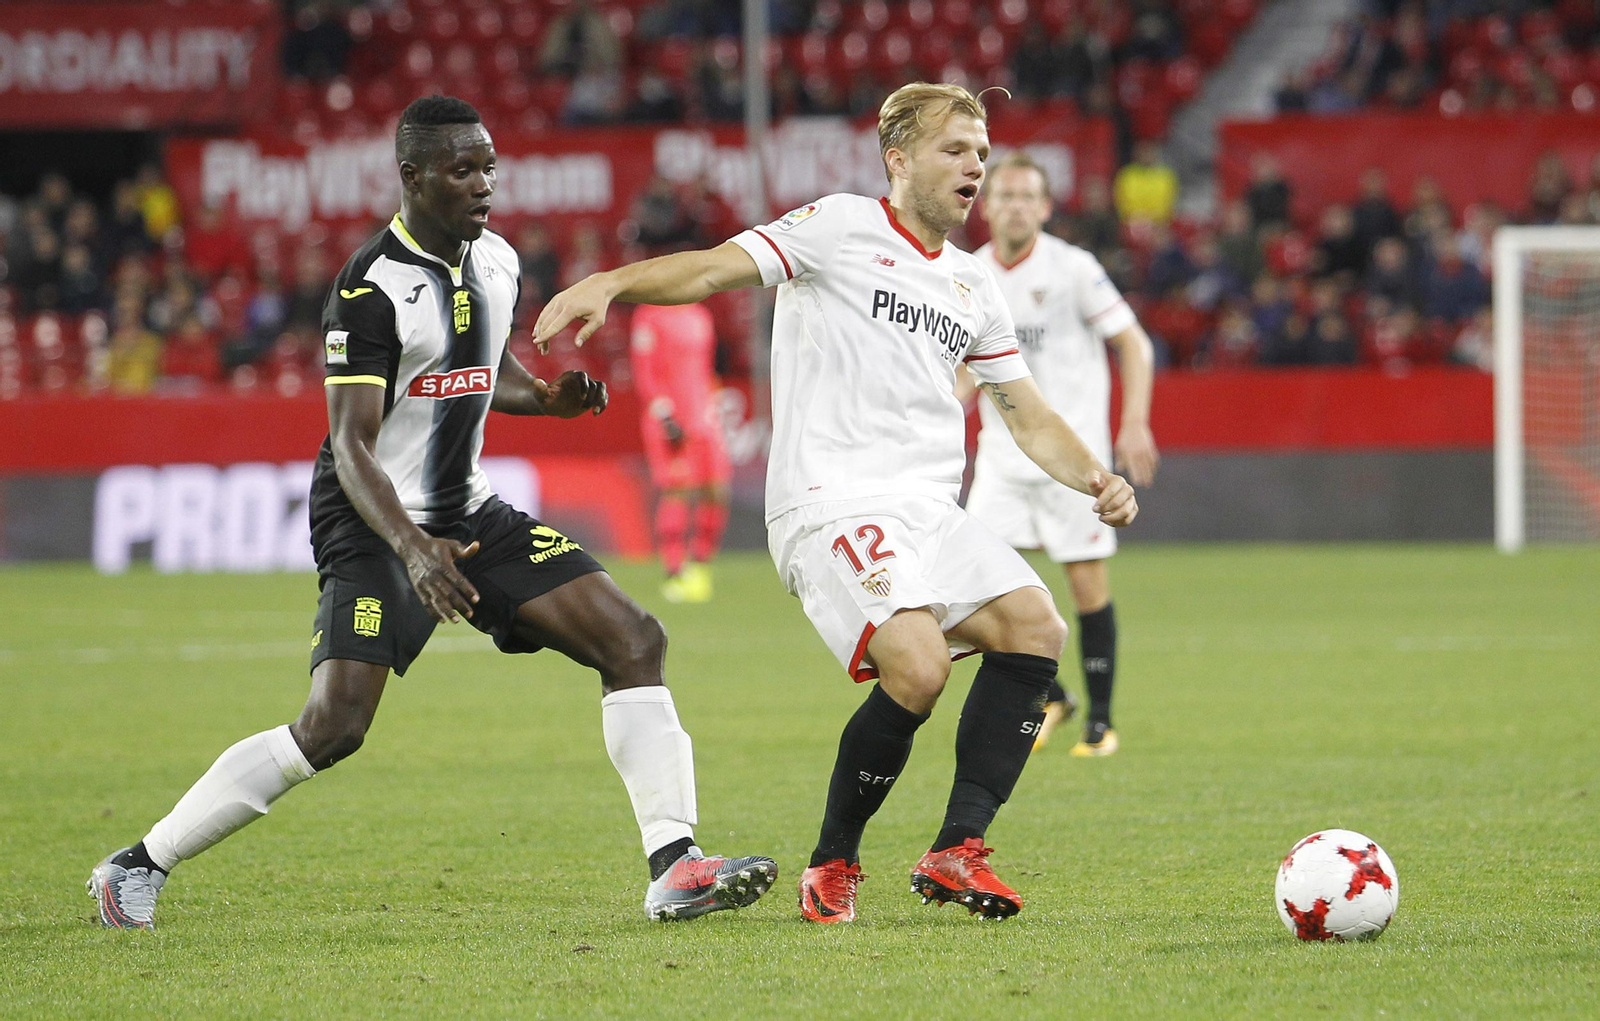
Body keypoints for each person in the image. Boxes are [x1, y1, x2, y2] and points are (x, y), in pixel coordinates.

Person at [87, 96, 776, 931]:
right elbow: (352, 443)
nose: (484, 184)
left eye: (489, 166)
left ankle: (674, 866)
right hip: (375, 520)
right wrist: (413, 549)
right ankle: (137, 863)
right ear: (412, 177)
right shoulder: (368, 289)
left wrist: (546, 398)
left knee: (634, 640)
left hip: (470, 510)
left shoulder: (497, 262)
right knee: (334, 725)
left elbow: (485, 370)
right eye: (462, 169)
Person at [535, 82, 1138, 924]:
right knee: (920, 666)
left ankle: (957, 848)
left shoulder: (972, 285)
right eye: (956, 149)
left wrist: (1097, 477)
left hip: (929, 507)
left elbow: (1028, 415)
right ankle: (833, 863)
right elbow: (712, 268)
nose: (976, 165)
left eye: (982, 152)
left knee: (1038, 629)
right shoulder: (838, 227)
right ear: (898, 160)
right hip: (831, 501)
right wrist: (614, 281)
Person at [958, 151, 1159, 758]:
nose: (1015, 206)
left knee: (1085, 582)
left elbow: (1134, 343)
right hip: (1002, 456)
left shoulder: (1074, 269)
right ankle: (1055, 692)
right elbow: (967, 368)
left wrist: (1135, 422)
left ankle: (1100, 722)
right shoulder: (966, 274)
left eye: (1027, 196)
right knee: (969, 586)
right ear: (985, 206)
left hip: (1072, 458)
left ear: (1044, 208)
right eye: (1005, 195)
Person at [629, 302, 730, 603]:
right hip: (671, 417)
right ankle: (674, 571)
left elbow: (705, 367)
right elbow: (644, 372)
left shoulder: (701, 314)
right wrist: (664, 415)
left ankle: (700, 567)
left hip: (704, 415)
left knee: (716, 489)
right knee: (678, 490)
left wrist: (712, 404)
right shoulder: (648, 315)